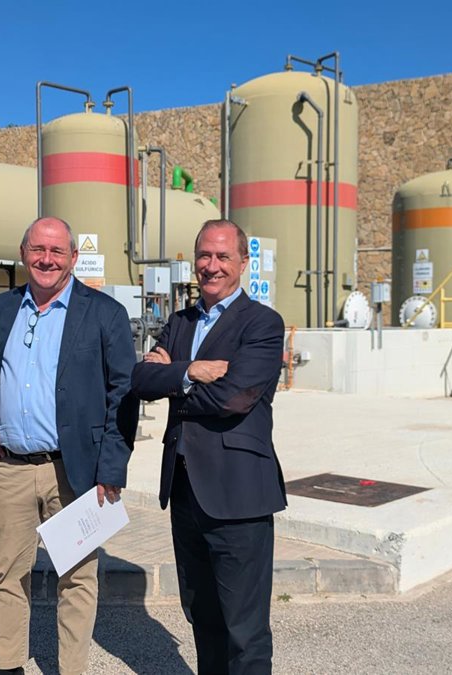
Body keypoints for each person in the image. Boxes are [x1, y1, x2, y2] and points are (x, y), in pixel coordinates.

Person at [0, 216, 138, 675]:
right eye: (38, 249)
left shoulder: (104, 313)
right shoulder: (0, 310)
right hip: (11, 468)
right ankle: (8, 666)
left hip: (75, 471)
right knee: (6, 574)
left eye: (57, 251)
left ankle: (70, 669)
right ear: (23, 254)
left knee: (77, 577)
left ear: (73, 257)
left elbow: (124, 394)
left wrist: (111, 468)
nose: (47, 259)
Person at [131, 219, 286, 675]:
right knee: (202, 616)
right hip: (185, 492)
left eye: (222, 256)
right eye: (204, 255)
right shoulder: (181, 322)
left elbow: (235, 397)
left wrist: (171, 377)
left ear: (243, 262)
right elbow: (140, 380)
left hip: (238, 494)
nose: (212, 266)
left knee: (245, 631)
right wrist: (190, 371)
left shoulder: (262, 323)